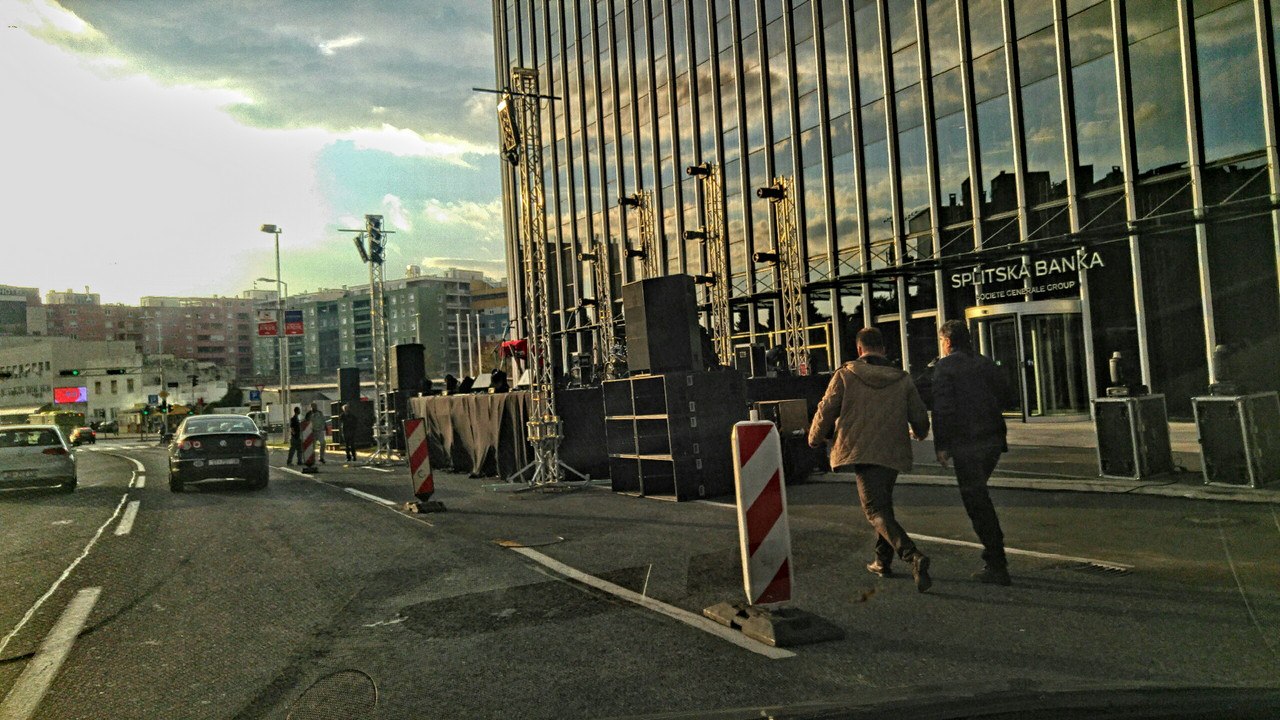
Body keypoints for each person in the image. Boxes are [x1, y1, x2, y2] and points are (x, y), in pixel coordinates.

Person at [808, 327, 934, 592]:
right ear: (884, 350)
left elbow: (826, 408)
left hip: (862, 451)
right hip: (893, 451)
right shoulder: (902, 378)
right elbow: (919, 414)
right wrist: (921, 432)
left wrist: (814, 437)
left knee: (874, 510)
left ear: (859, 349)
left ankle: (912, 555)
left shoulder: (846, 374)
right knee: (883, 505)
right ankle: (881, 561)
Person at [932, 319, 1012, 586]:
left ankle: (996, 562)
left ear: (947, 341)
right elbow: (1006, 394)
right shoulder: (985, 363)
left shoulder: (945, 367)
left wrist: (942, 445)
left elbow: (943, 409)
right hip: (992, 438)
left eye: (942, 341)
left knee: (976, 500)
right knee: (979, 494)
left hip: (967, 442)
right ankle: (995, 559)